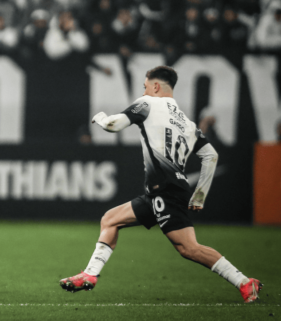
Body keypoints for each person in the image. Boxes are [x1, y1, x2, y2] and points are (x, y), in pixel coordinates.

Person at [59, 66, 262, 303]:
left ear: (155, 86)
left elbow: (113, 125)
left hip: (165, 190)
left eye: (145, 86)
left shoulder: (148, 103)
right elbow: (211, 156)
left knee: (189, 249)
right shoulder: (187, 123)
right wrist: (200, 195)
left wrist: (101, 117)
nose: (143, 90)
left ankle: (244, 282)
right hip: (164, 191)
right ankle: (90, 275)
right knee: (110, 219)